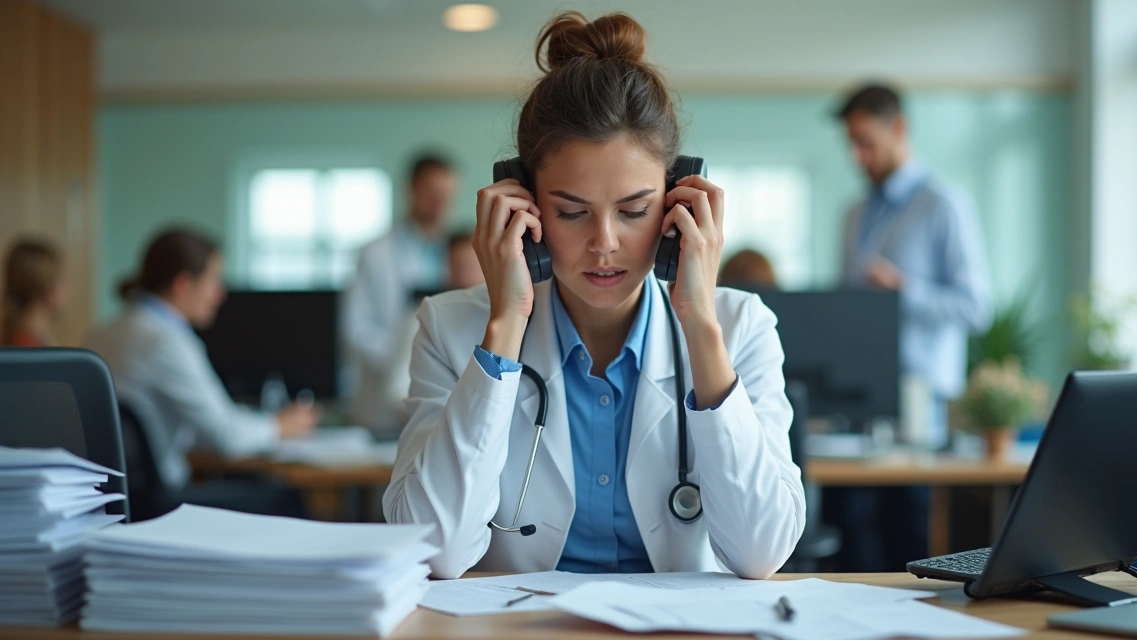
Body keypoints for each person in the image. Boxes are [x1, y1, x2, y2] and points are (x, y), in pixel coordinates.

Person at [383, 12, 805, 579]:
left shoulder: (740, 326)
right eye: (572, 211)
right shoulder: (447, 328)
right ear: (525, 206)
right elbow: (435, 552)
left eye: (633, 211)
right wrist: (506, 324)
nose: (604, 244)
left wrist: (700, 322)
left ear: (677, 205)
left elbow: (762, 554)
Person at [830, 83, 992, 572]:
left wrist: (904, 290)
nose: (859, 156)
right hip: (859, 403)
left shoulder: (945, 205)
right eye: (852, 145)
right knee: (851, 531)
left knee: (908, 535)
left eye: (867, 143)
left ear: (900, 129)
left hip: (921, 407)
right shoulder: (856, 214)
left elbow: (976, 306)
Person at [86, 229, 318, 506]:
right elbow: (226, 436)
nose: (220, 295)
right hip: (160, 502)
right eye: (213, 281)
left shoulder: (103, 332)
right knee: (287, 499)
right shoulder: (167, 343)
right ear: (184, 284)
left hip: (105, 499)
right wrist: (279, 425)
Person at [343, 154, 459, 430]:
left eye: (447, 195)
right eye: (432, 193)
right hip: (382, 406)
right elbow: (355, 330)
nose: (439, 204)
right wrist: (407, 358)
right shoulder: (375, 254)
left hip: (444, 392)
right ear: (412, 189)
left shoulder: (459, 254)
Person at [384, 232, 486, 437]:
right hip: (434, 437)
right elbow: (396, 393)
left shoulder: (510, 324)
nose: (467, 278)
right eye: (459, 268)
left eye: (474, 268)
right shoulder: (423, 319)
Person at [1, 238, 67, 347]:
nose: (68, 288)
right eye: (62, 280)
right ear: (50, 290)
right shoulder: (28, 346)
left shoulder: (24, 337)